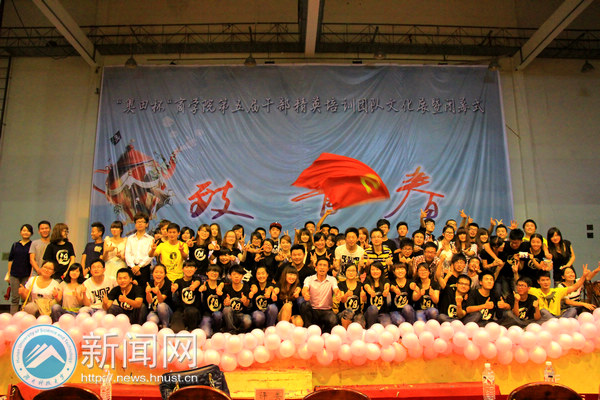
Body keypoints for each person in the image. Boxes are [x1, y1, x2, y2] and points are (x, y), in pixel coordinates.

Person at [524, 267, 594, 322]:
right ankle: (558, 323)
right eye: (543, 280)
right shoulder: (534, 291)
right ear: (538, 282)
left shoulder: (557, 291)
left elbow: (574, 287)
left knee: (572, 310)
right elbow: (521, 286)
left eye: (547, 280)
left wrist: (584, 276)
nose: (546, 282)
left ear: (550, 281)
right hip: (545, 318)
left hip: (557, 317)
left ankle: (558, 322)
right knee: (543, 311)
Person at [300, 258, 339, 333]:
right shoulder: (309, 279)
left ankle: (325, 334)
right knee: (304, 305)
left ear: (328, 268)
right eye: (320, 265)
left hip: (326, 311)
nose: (322, 267)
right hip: (313, 310)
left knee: (333, 319)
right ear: (316, 267)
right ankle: (309, 331)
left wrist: (337, 293)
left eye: (325, 265)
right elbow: (305, 288)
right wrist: (305, 294)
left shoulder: (332, 279)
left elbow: (335, 288)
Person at [7, 224, 33, 314]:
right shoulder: (15, 245)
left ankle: (24, 316)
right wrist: (9, 274)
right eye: (24, 230)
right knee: (15, 298)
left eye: (28, 231)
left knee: (25, 298)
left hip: (26, 275)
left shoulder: (32, 245)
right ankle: (13, 317)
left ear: (31, 233)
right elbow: (10, 260)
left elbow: (33, 261)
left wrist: (31, 275)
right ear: (20, 232)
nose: (26, 232)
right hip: (14, 275)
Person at [171, 261, 202, 332]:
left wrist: (193, 286)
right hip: (182, 309)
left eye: (191, 267)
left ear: (195, 269)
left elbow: (197, 282)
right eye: (187, 267)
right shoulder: (179, 281)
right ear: (182, 269)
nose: (189, 269)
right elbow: (176, 285)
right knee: (176, 316)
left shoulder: (197, 279)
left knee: (191, 311)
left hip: (194, 310)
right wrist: (174, 288)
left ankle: (192, 330)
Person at [125, 212, 154, 287]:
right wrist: (133, 266)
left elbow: (150, 256)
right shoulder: (130, 238)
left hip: (144, 268)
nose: (140, 224)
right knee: (130, 288)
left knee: (144, 289)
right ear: (135, 224)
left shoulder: (150, 239)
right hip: (131, 268)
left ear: (146, 224)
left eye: (142, 222)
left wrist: (139, 266)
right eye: (138, 222)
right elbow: (127, 254)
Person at [222, 265, 252, 333]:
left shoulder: (246, 287)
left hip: (242, 314)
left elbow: (248, 305)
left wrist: (245, 301)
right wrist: (226, 303)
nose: (236, 276)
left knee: (247, 321)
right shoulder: (226, 287)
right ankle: (232, 331)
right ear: (230, 276)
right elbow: (224, 304)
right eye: (234, 274)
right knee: (226, 310)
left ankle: (240, 331)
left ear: (242, 276)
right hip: (231, 315)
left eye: (239, 274)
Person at [335, 263, 365, 328]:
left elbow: (364, 300)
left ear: (356, 272)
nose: (351, 273)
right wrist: (346, 295)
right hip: (344, 313)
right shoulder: (341, 284)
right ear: (345, 272)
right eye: (348, 270)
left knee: (359, 320)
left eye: (353, 271)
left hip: (357, 313)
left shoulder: (360, 285)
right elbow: (342, 300)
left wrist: (364, 296)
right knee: (349, 312)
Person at [200, 265, 225, 337]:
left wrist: (220, 291)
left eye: (216, 271)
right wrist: (202, 289)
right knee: (206, 334)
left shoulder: (221, 284)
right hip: (206, 313)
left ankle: (217, 330)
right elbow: (201, 288)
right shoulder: (204, 284)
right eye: (212, 271)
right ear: (207, 273)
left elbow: (222, 284)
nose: (214, 273)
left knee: (218, 315)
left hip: (218, 313)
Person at [363, 261, 391, 327]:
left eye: (377, 269)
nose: (375, 271)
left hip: (383, 313)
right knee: (373, 308)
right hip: (370, 312)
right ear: (370, 271)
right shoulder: (367, 281)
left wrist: (386, 290)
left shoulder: (385, 280)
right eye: (373, 269)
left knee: (387, 325)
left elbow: (387, 285)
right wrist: (370, 291)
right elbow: (366, 286)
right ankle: (370, 327)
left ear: (381, 271)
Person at [145, 264, 173, 328]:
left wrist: (158, 292)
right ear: (152, 274)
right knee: (151, 321)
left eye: (161, 272)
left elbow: (161, 300)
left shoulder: (168, 283)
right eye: (156, 272)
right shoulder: (149, 284)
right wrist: (147, 293)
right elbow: (149, 301)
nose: (158, 274)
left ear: (165, 275)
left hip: (167, 311)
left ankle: (165, 326)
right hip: (154, 311)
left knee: (161, 306)